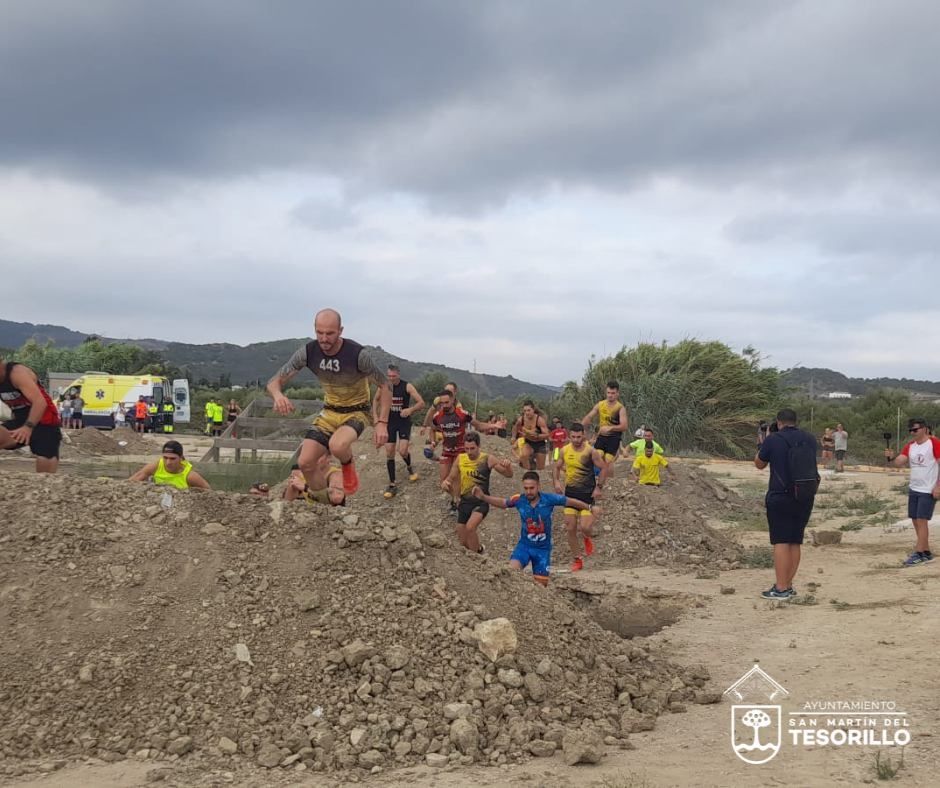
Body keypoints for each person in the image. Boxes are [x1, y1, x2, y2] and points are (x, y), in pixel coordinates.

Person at [268, 308, 390, 497]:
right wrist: (278, 395)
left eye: (330, 333)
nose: (324, 339)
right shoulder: (308, 352)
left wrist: (382, 423)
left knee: (337, 446)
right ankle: (322, 502)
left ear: (340, 331)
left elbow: (385, 386)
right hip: (329, 411)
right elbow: (274, 381)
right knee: (305, 463)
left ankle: (348, 464)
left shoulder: (357, 355)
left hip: (356, 411)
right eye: (319, 332)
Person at [473, 471, 593, 586]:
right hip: (524, 546)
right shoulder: (519, 499)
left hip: (542, 550)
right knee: (511, 573)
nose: (529, 491)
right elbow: (503, 503)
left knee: (541, 587)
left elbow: (570, 501)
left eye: (532, 488)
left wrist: (589, 508)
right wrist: (483, 497)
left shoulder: (549, 499)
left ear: (538, 486)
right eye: (526, 488)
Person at [754, 409, 819, 600]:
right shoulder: (809, 438)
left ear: (779, 422)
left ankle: (780, 588)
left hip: (780, 495)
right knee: (794, 540)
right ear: (795, 421)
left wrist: (763, 441)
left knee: (780, 541)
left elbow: (759, 464)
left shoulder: (773, 440)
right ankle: (788, 584)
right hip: (805, 494)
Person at [442, 431, 513, 553]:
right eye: (467, 448)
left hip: (481, 501)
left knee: (470, 528)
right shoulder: (461, 458)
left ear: (478, 446)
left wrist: (508, 466)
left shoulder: (487, 459)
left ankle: (477, 560)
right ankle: (479, 549)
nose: (469, 452)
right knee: (463, 540)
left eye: (472, 448)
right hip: (465, 501)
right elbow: (451, 477)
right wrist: (445, 483)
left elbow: (508, 475)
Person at [553, 423, 608, 572]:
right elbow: (557, 466)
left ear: (583, 435)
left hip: (587, 496)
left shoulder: (591, 451)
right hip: (570, 495)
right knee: (570, 528)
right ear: (569, 436)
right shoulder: (564, 450)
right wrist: (557, 482)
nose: (576, 440)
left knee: (585, 527)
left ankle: (586, 537)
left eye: (579, 437)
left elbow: (603, 468)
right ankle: (577, 560)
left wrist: (599, 487)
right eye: (573, 437)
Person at [429, 389, 493, 512]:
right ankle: (457, 498)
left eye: (447, 402)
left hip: (461, 452)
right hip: (446, 451)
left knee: (456, 480)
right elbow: (431, 427)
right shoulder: (438, 416)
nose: (445, 406)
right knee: (444, 483)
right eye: (442, 403)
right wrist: (432, 442)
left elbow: (478, 425)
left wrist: (493, 426)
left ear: (453, 400)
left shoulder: (462, 414)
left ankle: (457, 502)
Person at [886, 418, 939, 566]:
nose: (912, 433)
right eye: (910, 430)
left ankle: (919, 552)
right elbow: (900, 462)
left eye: (915, 429)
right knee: (915, 520)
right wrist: (891, 457)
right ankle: (926, 551)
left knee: (922, 520)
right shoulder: (910, 446)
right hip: (914, 487)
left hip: (928, 488)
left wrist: (938, 486)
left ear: (924, 429)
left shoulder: (933, 443)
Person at [0, 359, 63, 473]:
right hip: (20, 419)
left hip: (44, 419)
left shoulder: (17, 373)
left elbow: (40, 402)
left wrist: (28, 427)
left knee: (45, 473)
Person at [379, 364, 426, 498]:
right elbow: (375, 400)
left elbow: (421, 403)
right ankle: (392, 484)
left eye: (394, 376)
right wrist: (378, 420)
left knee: (403, 450)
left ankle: (410, 467)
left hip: (403, 421)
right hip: (390, 422)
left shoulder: (407, 386)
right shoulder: (385, 386)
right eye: (389, 376)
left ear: (398, 374)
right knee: (389, 451)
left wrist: (410, 410)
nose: (391, 378)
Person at [129, 440, 211, 489]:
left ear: (181, 458)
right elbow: (133, 480)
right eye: (165, 458)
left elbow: (208, 491)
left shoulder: (189, 476)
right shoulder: (156, 466)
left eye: (172, 459)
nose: (168, 462)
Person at [582, 381, 629, 467]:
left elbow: (624, 426)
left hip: (614, 437)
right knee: (597, 456)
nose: (610, 395)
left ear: (617, 393)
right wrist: (581, 428)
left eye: (613, 393)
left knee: (607, 460)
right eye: (608, 393)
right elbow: (589, 416)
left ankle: (614, 456)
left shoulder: (620, 408)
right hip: (602, 436)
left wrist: (610, 428)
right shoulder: (600, 404)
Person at [511, 401, 550, 470]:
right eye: (525, 411)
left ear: (533, 410)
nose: (527, 413)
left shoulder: (539, 420)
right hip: (529, 442)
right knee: (523, 455)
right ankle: (527, 471)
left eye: (529, 410)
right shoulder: (522, 419)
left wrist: (537, 435)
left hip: (540, 444)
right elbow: (515, 426)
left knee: (540, 469)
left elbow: (547, 435)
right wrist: (513, 437)